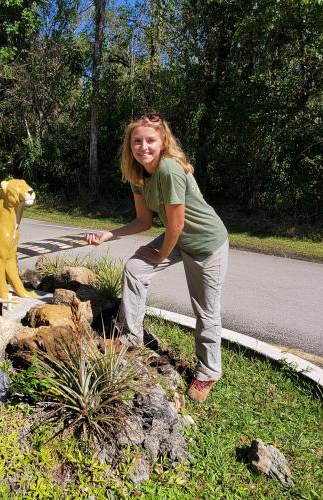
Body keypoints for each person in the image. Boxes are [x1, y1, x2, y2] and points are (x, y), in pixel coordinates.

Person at [85, 113, 229, 403]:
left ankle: (208, 372)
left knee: (205, 310)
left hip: (205, 243)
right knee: (135, 268)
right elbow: (143, 221)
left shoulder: (169, 170)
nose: (143, 147)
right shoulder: (139, 174)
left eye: (150, 140)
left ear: (163, 141)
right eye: (137, 141)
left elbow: (176, 225)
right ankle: (131, 338)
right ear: (130, 145)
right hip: (178, 237)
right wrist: (108, 235)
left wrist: (159, 253)